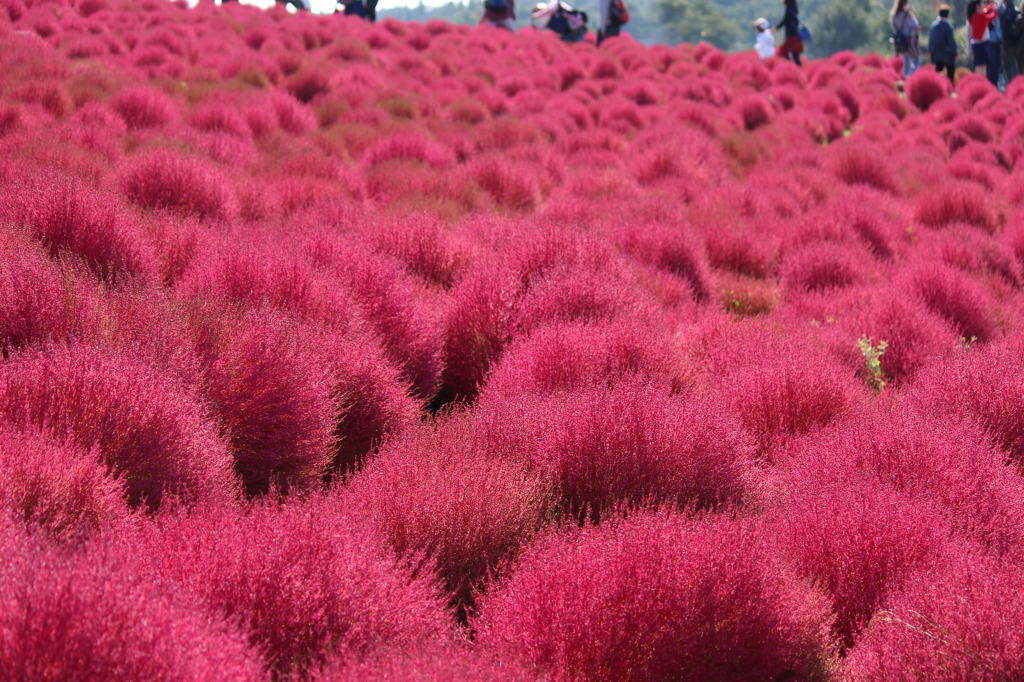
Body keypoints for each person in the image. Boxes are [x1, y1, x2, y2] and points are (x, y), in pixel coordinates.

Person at [891, 0, 921, 79]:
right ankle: (909, 75)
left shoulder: (894, 15)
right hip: (910, 38)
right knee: (917, 60)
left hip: (900, 40)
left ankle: (906, 77)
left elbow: (894, 27)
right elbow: (915, 25)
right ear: (905, 4)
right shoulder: (907, 15)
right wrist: (911, 13)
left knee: (906, 60)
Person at [968, 0, 999, 75]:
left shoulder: (977, 14)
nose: (984, 4)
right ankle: (980, 81)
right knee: (980, 66)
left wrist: (991, 6)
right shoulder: (978, 16)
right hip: (980, 44)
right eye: (982, 3)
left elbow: (985, 11)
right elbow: (990, 17)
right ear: (977, 6)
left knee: (983, 65)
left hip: (979, 44)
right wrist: (995, 11)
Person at [930, 4, 958, 82]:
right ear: (948, 14)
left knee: (937, 71)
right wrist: (954, 53)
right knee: (950, 71)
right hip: (947, 53)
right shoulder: (948, 26)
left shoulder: (933, 26)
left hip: (936, 53)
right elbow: (951, 42)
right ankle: (949, 88)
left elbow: (930, 41)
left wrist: (931, 52)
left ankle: (936, 86)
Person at [773, 0, 803, 66]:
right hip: (797, 37)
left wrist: (774, 29)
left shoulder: (788, 11)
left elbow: (784, 21)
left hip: (791, 37)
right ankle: (799, 70)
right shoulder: (794, 10)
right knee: (795, 55)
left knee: (783, 52)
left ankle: (791, 67)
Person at [1000, 0, 1018, 82]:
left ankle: (1010, 87)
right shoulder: (1017, 14)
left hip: (1007, 44)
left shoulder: (1003, 15)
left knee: (1008, 68)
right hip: (1018, 44)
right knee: (1018, 67)